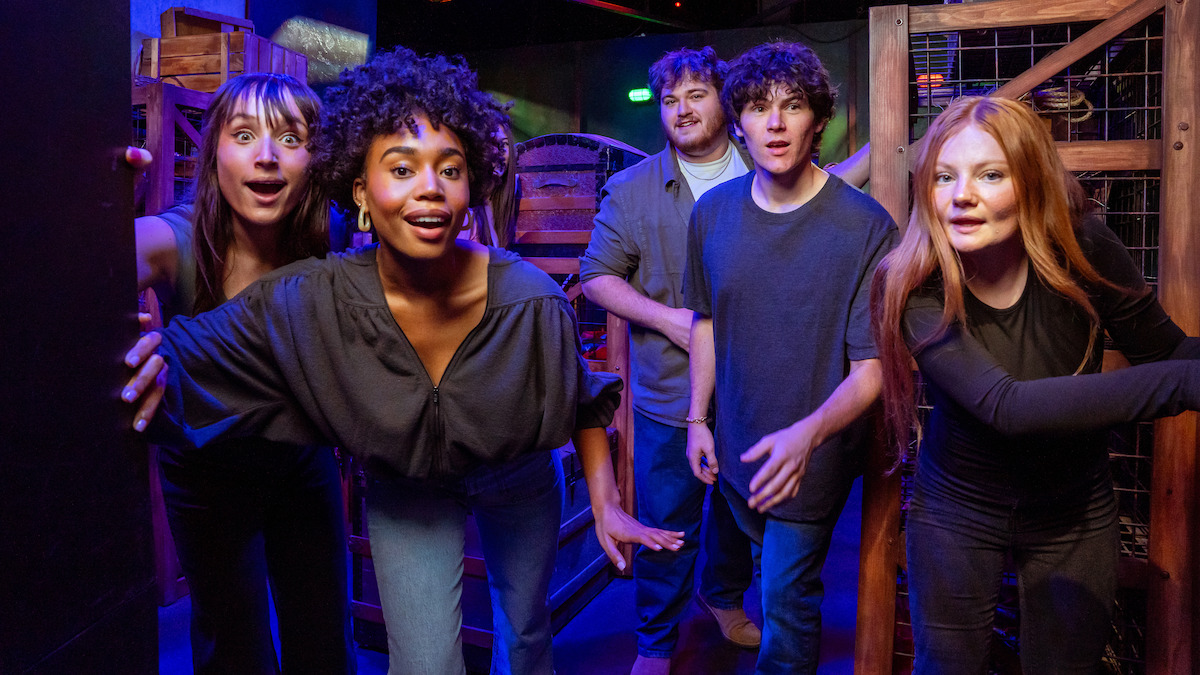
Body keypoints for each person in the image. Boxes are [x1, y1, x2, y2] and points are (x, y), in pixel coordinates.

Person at [124, 47, 681, 675]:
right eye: (402, 168)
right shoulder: (308, 291)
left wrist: (606, 502)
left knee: (522, 638)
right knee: (398, 660)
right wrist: (135, 344)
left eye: (450, 168)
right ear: (361, 190)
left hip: (511, 476)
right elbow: (187, 346)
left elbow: (577, 394)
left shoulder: (526, 297)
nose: (428, 187)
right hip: (389, 484)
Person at [871, 96, 1200, 674]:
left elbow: (1169, 350)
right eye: (944, 177)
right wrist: (1187, 382)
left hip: (1075, 509)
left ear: (1031, 180)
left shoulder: (1084, 247)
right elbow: (1009, 408)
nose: (961, 195)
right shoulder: (914, 284)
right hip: (957, 507)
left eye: (990, 174)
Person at [682, 41, 898, 674]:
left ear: (819, 120)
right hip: (737, 443)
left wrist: (808, 435)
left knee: (786, 599)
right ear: (738, 124)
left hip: (815, 457)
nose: (774, 123)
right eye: (757, 108)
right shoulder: (712, 213)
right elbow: (706, 322)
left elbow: (872, 371)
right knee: (751, 562)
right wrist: (698, 419)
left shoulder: (866, 227)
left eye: (793, 105)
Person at [128, 73, 354, 675]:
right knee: (234, 647)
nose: (267, 155)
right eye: (245, 134)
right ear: (214, 154)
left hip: (302, 459)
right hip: (206, 472)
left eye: (291, 138)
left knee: (325, 639)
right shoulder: (175, 239)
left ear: (316, 160)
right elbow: (73, 269)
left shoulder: (328, 232)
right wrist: (99, 214)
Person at [579, 45, 760, 675]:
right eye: (669, 99)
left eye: (695, 95)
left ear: (725, 102)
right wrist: (668, 319)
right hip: (669, 394)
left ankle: (724, 598)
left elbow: (833, 188)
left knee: (742, 515)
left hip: (755, 389)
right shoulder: (632, 190)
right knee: (667, 524)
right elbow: (595, 277)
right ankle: (655, 642)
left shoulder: (767, 170)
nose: (680, 109)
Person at [460, 123, 520, 248]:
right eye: (490, 143)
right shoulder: (466, 210)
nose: (498, 152)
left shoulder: (501, 197)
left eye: (504, 144)